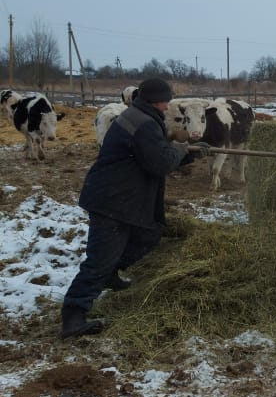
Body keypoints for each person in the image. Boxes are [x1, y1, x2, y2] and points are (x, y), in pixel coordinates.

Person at [60, 77, 209, 340]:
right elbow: (161, 162)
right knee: (100, 259)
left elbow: (156, 154)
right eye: (166, 100)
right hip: (112, 200)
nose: (167, 106)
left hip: (123, 197)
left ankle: (111, 274)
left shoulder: (139, 116)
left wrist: (190, 153)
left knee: (149, 235)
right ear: (155, 100)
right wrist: (184, 148)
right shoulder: (143, 124)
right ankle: (73, 315)